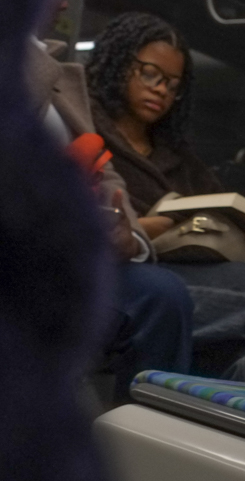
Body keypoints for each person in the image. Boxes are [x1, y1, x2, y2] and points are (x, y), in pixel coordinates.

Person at [86, 12, 245, 388]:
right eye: (150, 74)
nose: (161, 90)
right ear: (118, 64)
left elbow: (214, 201)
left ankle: (237, 421)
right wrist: (159, 224)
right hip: (137, 274)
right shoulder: (87, 128)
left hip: (195, 264)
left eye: (173, 84)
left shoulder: (176, 153)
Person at [26, 1, 194, 404]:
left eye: (172, 84)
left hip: (79, 255)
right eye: (150, 74)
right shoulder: (28, 65)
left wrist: (131, 238)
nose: (65, 3)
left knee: (163, 293)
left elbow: (107, 174)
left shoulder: (62, 78)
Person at [1, 0, 108, 478]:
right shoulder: (19, 70)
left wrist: (126, 227)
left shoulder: (59, 69)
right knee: (165, 296)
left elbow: (106, 169)